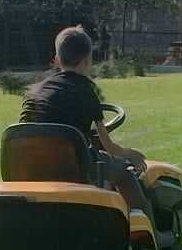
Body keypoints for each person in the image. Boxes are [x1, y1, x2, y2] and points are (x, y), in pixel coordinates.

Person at [19, 25, 145, 174]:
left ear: (58, 60)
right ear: (87, 61)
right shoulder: (86, 91)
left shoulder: (36, 90)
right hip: (71, 166)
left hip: (33, 164)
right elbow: (108, 147)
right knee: (124, 172)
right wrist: (130, 154)